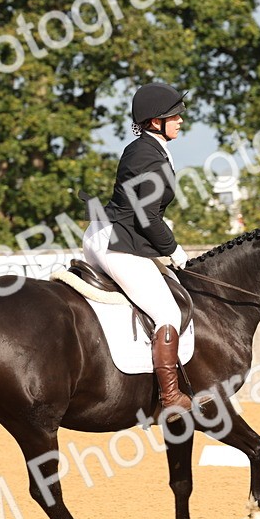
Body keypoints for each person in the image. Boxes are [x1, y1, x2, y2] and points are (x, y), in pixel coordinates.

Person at [82, 82, 194, 418]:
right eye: (175, 116)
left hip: (111, 233)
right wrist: (174, 250)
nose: (181, 121)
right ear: (156, 121)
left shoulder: (150, 149)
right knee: (168, 314)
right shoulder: (147, 154)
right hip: (118, 242)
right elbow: (146, 215)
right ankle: (171, 397)